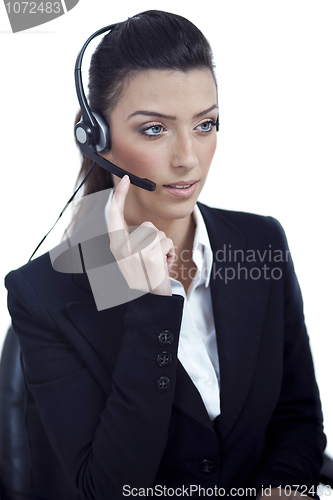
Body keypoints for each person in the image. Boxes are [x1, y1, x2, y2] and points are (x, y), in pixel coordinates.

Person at [5, 9, 326, 500]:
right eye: (155, 129)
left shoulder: (260, 243)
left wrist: (280, 489)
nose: (188, 158)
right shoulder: (44, 294)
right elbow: (109, 487)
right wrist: (151, 300)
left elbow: (296, 417)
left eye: (206, 124)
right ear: (98, 140)